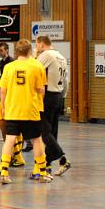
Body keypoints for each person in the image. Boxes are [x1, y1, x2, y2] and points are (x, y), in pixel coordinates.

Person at [0, 39, 51, 185]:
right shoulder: (37, 66)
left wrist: (3, 108)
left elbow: (3, 91)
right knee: (36, 140)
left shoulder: (8, 67)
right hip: (31, 110)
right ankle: (43, 172)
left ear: (16, 51)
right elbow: (42, 90)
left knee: (9, 139)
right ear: (29, 51)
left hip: (13, 110)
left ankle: (3, 172)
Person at [35, 36, 71, 176]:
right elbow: (66, 80)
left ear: (41, 44)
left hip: (48, 96)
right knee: (52, 132)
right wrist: (63, 97)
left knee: (44, 132)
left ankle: (63, 158)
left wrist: (35, 55)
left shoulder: (46, 55)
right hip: (58, 96)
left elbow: (34, 69)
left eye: (37, 45)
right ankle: (48, 165)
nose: (36, 48)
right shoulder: (60, 56)